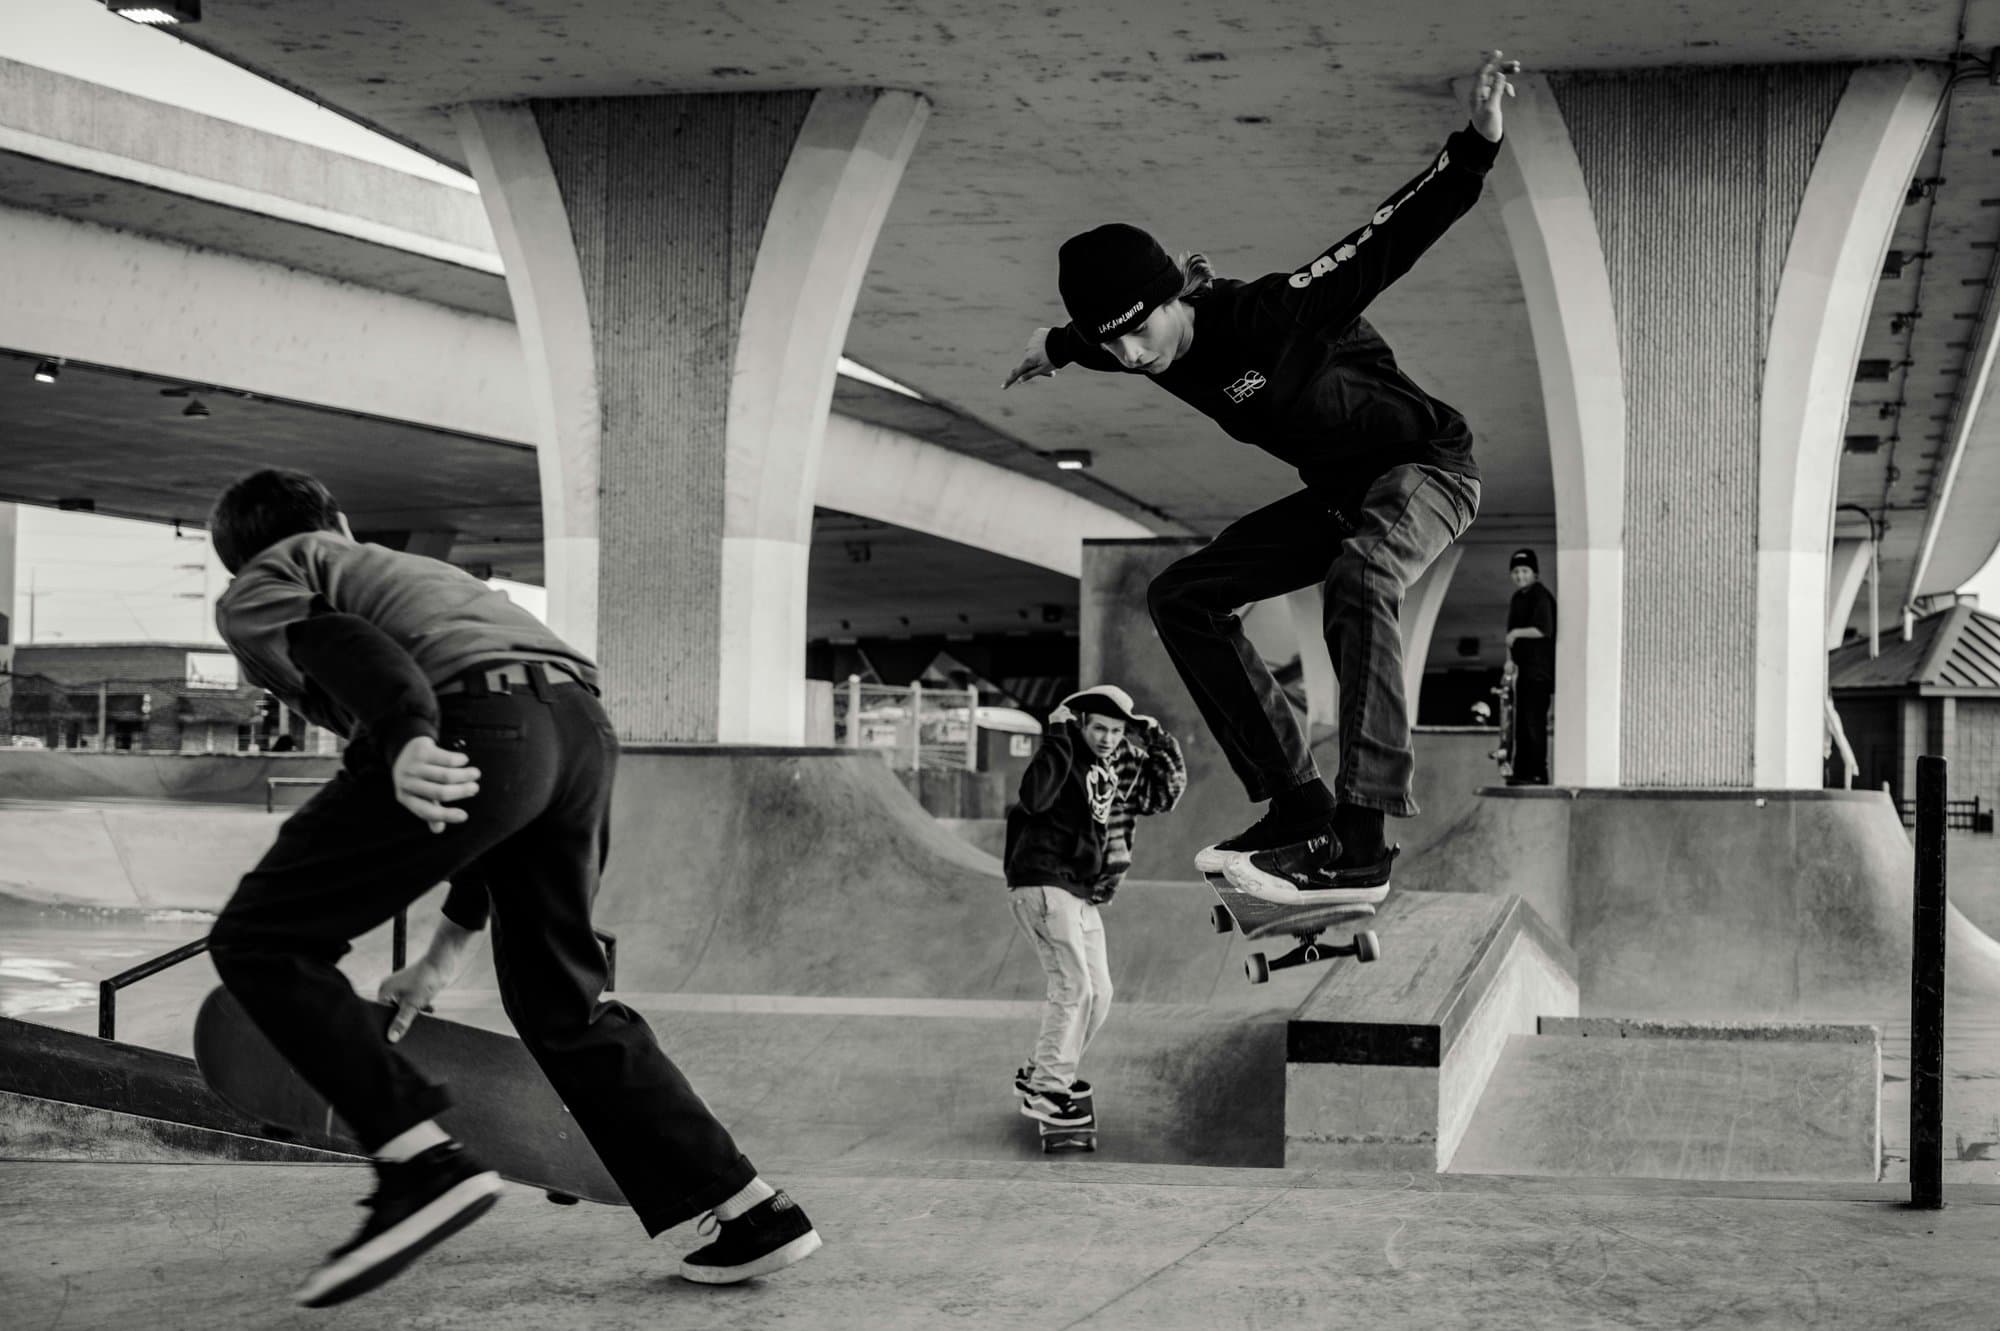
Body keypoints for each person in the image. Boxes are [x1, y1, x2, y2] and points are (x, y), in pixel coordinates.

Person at [201, 469, 819, 1308]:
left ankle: (420, 1160)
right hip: (578, 733)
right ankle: (752, 1208)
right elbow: (498, 804)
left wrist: (406, 733)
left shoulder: (267, 578)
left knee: (260, 939)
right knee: (565, 1005)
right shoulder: (423, 579)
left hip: (465, 721)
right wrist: (438, 960)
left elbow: (352, 652)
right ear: (342, 518)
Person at [1004, 52, 1520, 907]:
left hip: (1427, 470)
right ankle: (1299, 804)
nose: (1136, 355)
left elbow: (1382, 243)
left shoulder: (1265, 315)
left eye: (1141, 331)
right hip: (1339, 495)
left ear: (1175, 294)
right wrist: (1054, 348)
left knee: (1362, 576)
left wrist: (1475, 147)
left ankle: (1361, 838)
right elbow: (1094, 336)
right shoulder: (1130, 346)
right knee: (1183, 596)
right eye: (1116, 343)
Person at [1003, 685, 1185, 1129]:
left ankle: (1040, 1072)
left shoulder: (1117, 765)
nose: (1106, 738)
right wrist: (1059, 735)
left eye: (1116, 731)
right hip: (1044, 880)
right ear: (1082, 725)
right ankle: (1047, 1090)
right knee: (1074, 988)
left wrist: (1157, 738)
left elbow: (1164, 794)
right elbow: (1033, 797)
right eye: (1099, 729)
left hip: (1084, 891)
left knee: (1099, 995)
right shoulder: (1063, 754)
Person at [1503, 547, 1556, 785]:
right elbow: (1509, 637)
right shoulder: (1518, 598)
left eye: (1524, 571)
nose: (1520, 576)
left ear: (1534, 572)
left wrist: (1517, 633)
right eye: (1515, 571)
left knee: (1534, 722)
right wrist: (1510, 660)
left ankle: (1537, 772)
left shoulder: (1540, 596)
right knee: (1521, 723)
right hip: (1523, 671)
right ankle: (1521, 771)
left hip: (1539, 672)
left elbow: (1543, 629)